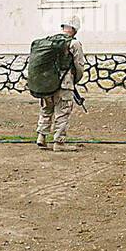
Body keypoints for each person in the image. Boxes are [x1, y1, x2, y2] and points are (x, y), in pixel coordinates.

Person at [34, 17, 85, 153]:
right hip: (64, 84)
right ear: (74, 30)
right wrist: (74, 81)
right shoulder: (74, 44)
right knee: (62, 112)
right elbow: (79, 66)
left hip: (46, 83)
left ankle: (41, 137)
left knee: (46, 110)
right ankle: (59, 142)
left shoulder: (49, 41)